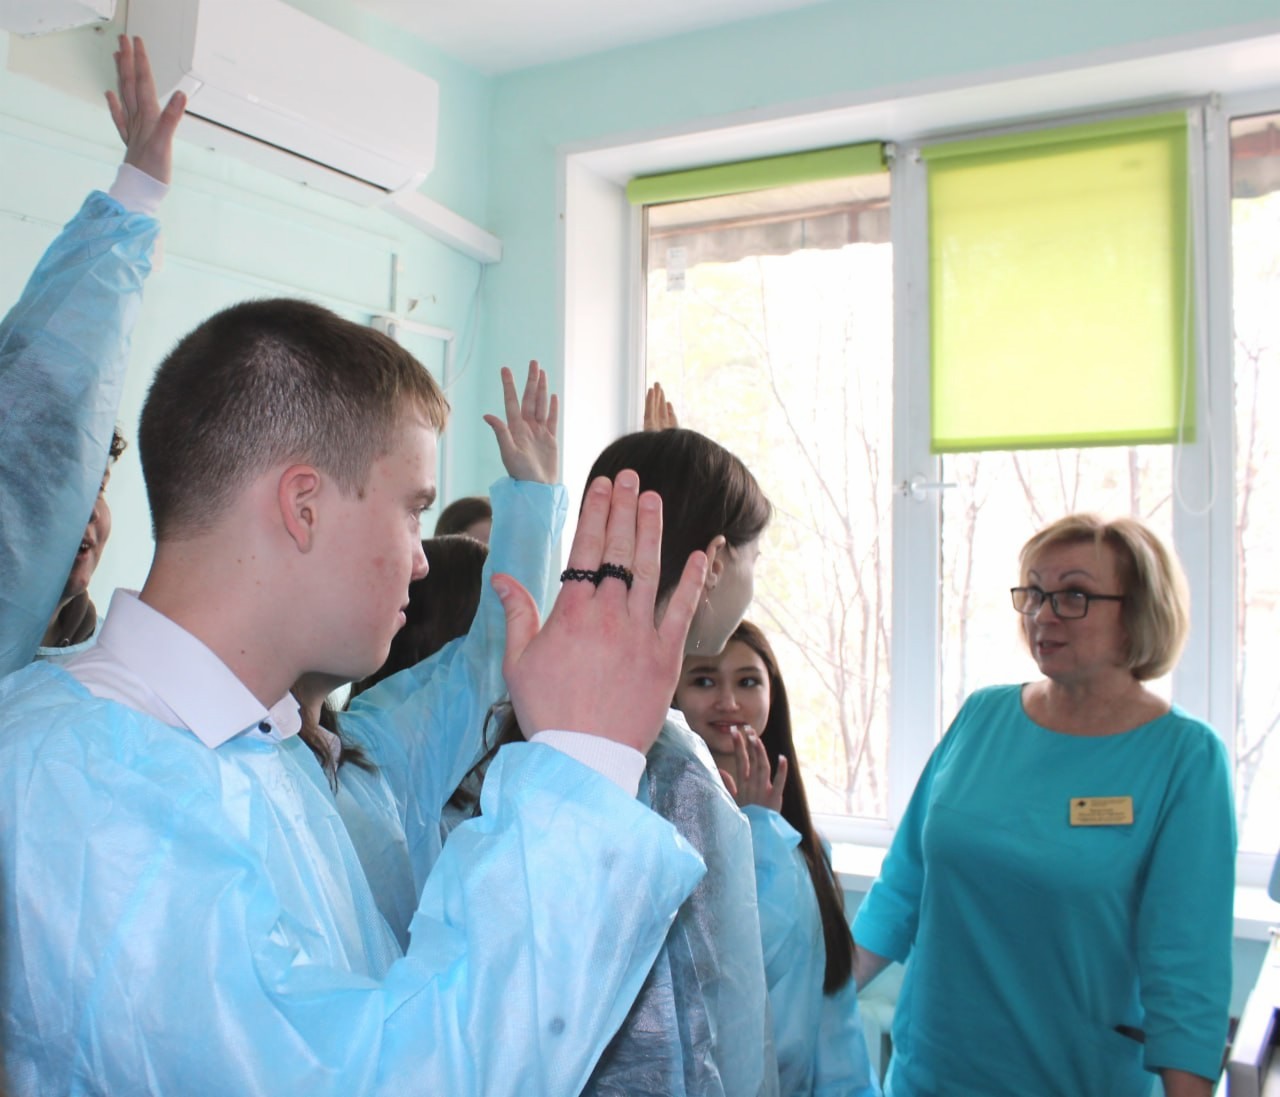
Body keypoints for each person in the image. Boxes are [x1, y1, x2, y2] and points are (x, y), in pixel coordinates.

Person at [0, 297, 712, 1094]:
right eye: (412, 510)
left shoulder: (256, 751)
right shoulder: (96, 784)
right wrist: (581, 767)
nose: (421, 559)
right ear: (303, 506)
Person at [852, 513, 1236, 1097]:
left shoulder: (1184, 758)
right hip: (931, 1072)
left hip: (1077, 1078)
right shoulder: (982, 717)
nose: (1043, 614)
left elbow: (1185, 968)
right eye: (1034, 592)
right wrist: (805, 1010)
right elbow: (903, 888)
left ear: (1138, 613)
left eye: (1074, 595)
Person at [470, 427, 779, 1096]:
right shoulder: (669, 770)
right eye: (755, 558)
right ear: (715, 561)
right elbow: (689, 1025)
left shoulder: (553, 722)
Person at [0, 35, 185, 675]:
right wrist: (136, 196)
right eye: (55, 483)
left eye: (94, 483)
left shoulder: (105, 670)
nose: (81, 512)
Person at [675, 620, 880, 1097]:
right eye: (704, 680)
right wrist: (757, 835)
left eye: (748, 681)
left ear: (773, 694)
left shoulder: (806, 847)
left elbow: (833, 1013)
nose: (728, 701)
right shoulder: (666, 840)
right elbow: (732, 978)